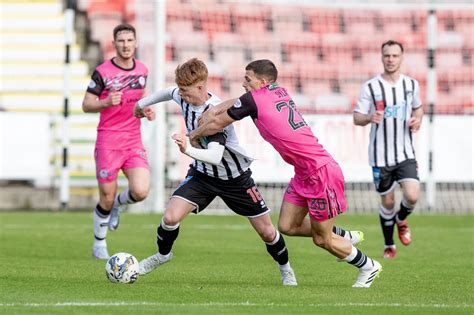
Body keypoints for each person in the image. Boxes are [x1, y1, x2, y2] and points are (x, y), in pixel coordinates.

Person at [190, 59, 381, 288]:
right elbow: (238, 102)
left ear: (261, 82)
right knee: (287, 226)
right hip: (304, 173)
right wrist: (215, 108)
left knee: (322, 239)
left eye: (247, 79)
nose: (243, 83)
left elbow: (217, 124)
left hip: (321, 173)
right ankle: (342, 235)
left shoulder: (254, 99)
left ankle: (368, 266)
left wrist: (194, 135)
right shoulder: (276, 91)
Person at [132, 58, 302, 286]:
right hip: (203, 176)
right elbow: (167, 92)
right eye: (181, 90)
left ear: (201, 87)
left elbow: (215, 156)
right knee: (170, 217)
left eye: (186, 91)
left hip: (235, 180)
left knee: (268, 233)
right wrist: (141, 104)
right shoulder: (183, 95)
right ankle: (163, 255)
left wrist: (188, 148)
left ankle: (286, 269)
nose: (181, 95)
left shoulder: (215, 113)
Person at [82, 23, 155, 260]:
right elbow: (86, 104)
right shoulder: (102, 72)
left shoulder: (143, 70)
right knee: (106, 196)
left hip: (133, 139)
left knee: (141, 190)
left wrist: (145, 111)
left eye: (129, 41)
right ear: (114, 44)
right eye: (121, 41)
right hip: (108, 141)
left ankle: (118, 205)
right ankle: (99, 243)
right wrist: (104, 102)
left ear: (135, 43)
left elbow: (139, 102)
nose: (125, 45)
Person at [353, 40, 423, 259]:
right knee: (388, 201)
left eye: (394, 56)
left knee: (412, 195)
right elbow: (357, 118)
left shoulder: (411, 85)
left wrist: (417, 121)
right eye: (387, 56)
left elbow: (418, 109)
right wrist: (369, 117)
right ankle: (389, 244)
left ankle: (401, 219)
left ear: (401, 58)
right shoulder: (371, 87)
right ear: (381, 58)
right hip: (380, 156)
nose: (391, 59)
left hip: (405, 153)